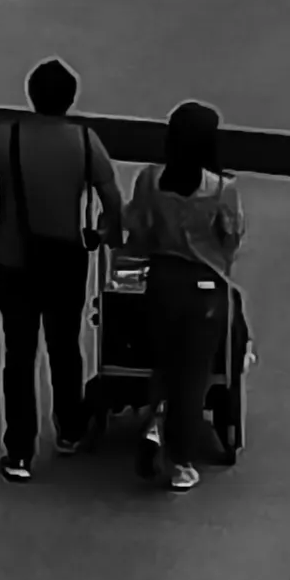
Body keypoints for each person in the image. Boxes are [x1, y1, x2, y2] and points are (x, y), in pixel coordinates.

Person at [0, 57, 107, 480]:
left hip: (15, 260)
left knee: (19, 354)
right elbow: (112, 198)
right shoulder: (85, 141)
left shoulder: (3, 137)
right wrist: (104, 233)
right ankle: (69, 429)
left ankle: (20, 452)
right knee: (65, 346)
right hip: (66, 261)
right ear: (70, 98)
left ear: (30, 94)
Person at [118, 102, 242, 489]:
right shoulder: (222, 188)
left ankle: (154, 419)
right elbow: (232, 239)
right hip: (204, 289)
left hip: (161, 284)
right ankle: (180, 460)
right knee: (192, 377)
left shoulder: (150, 179)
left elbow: (136, 229)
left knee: (164, 362)